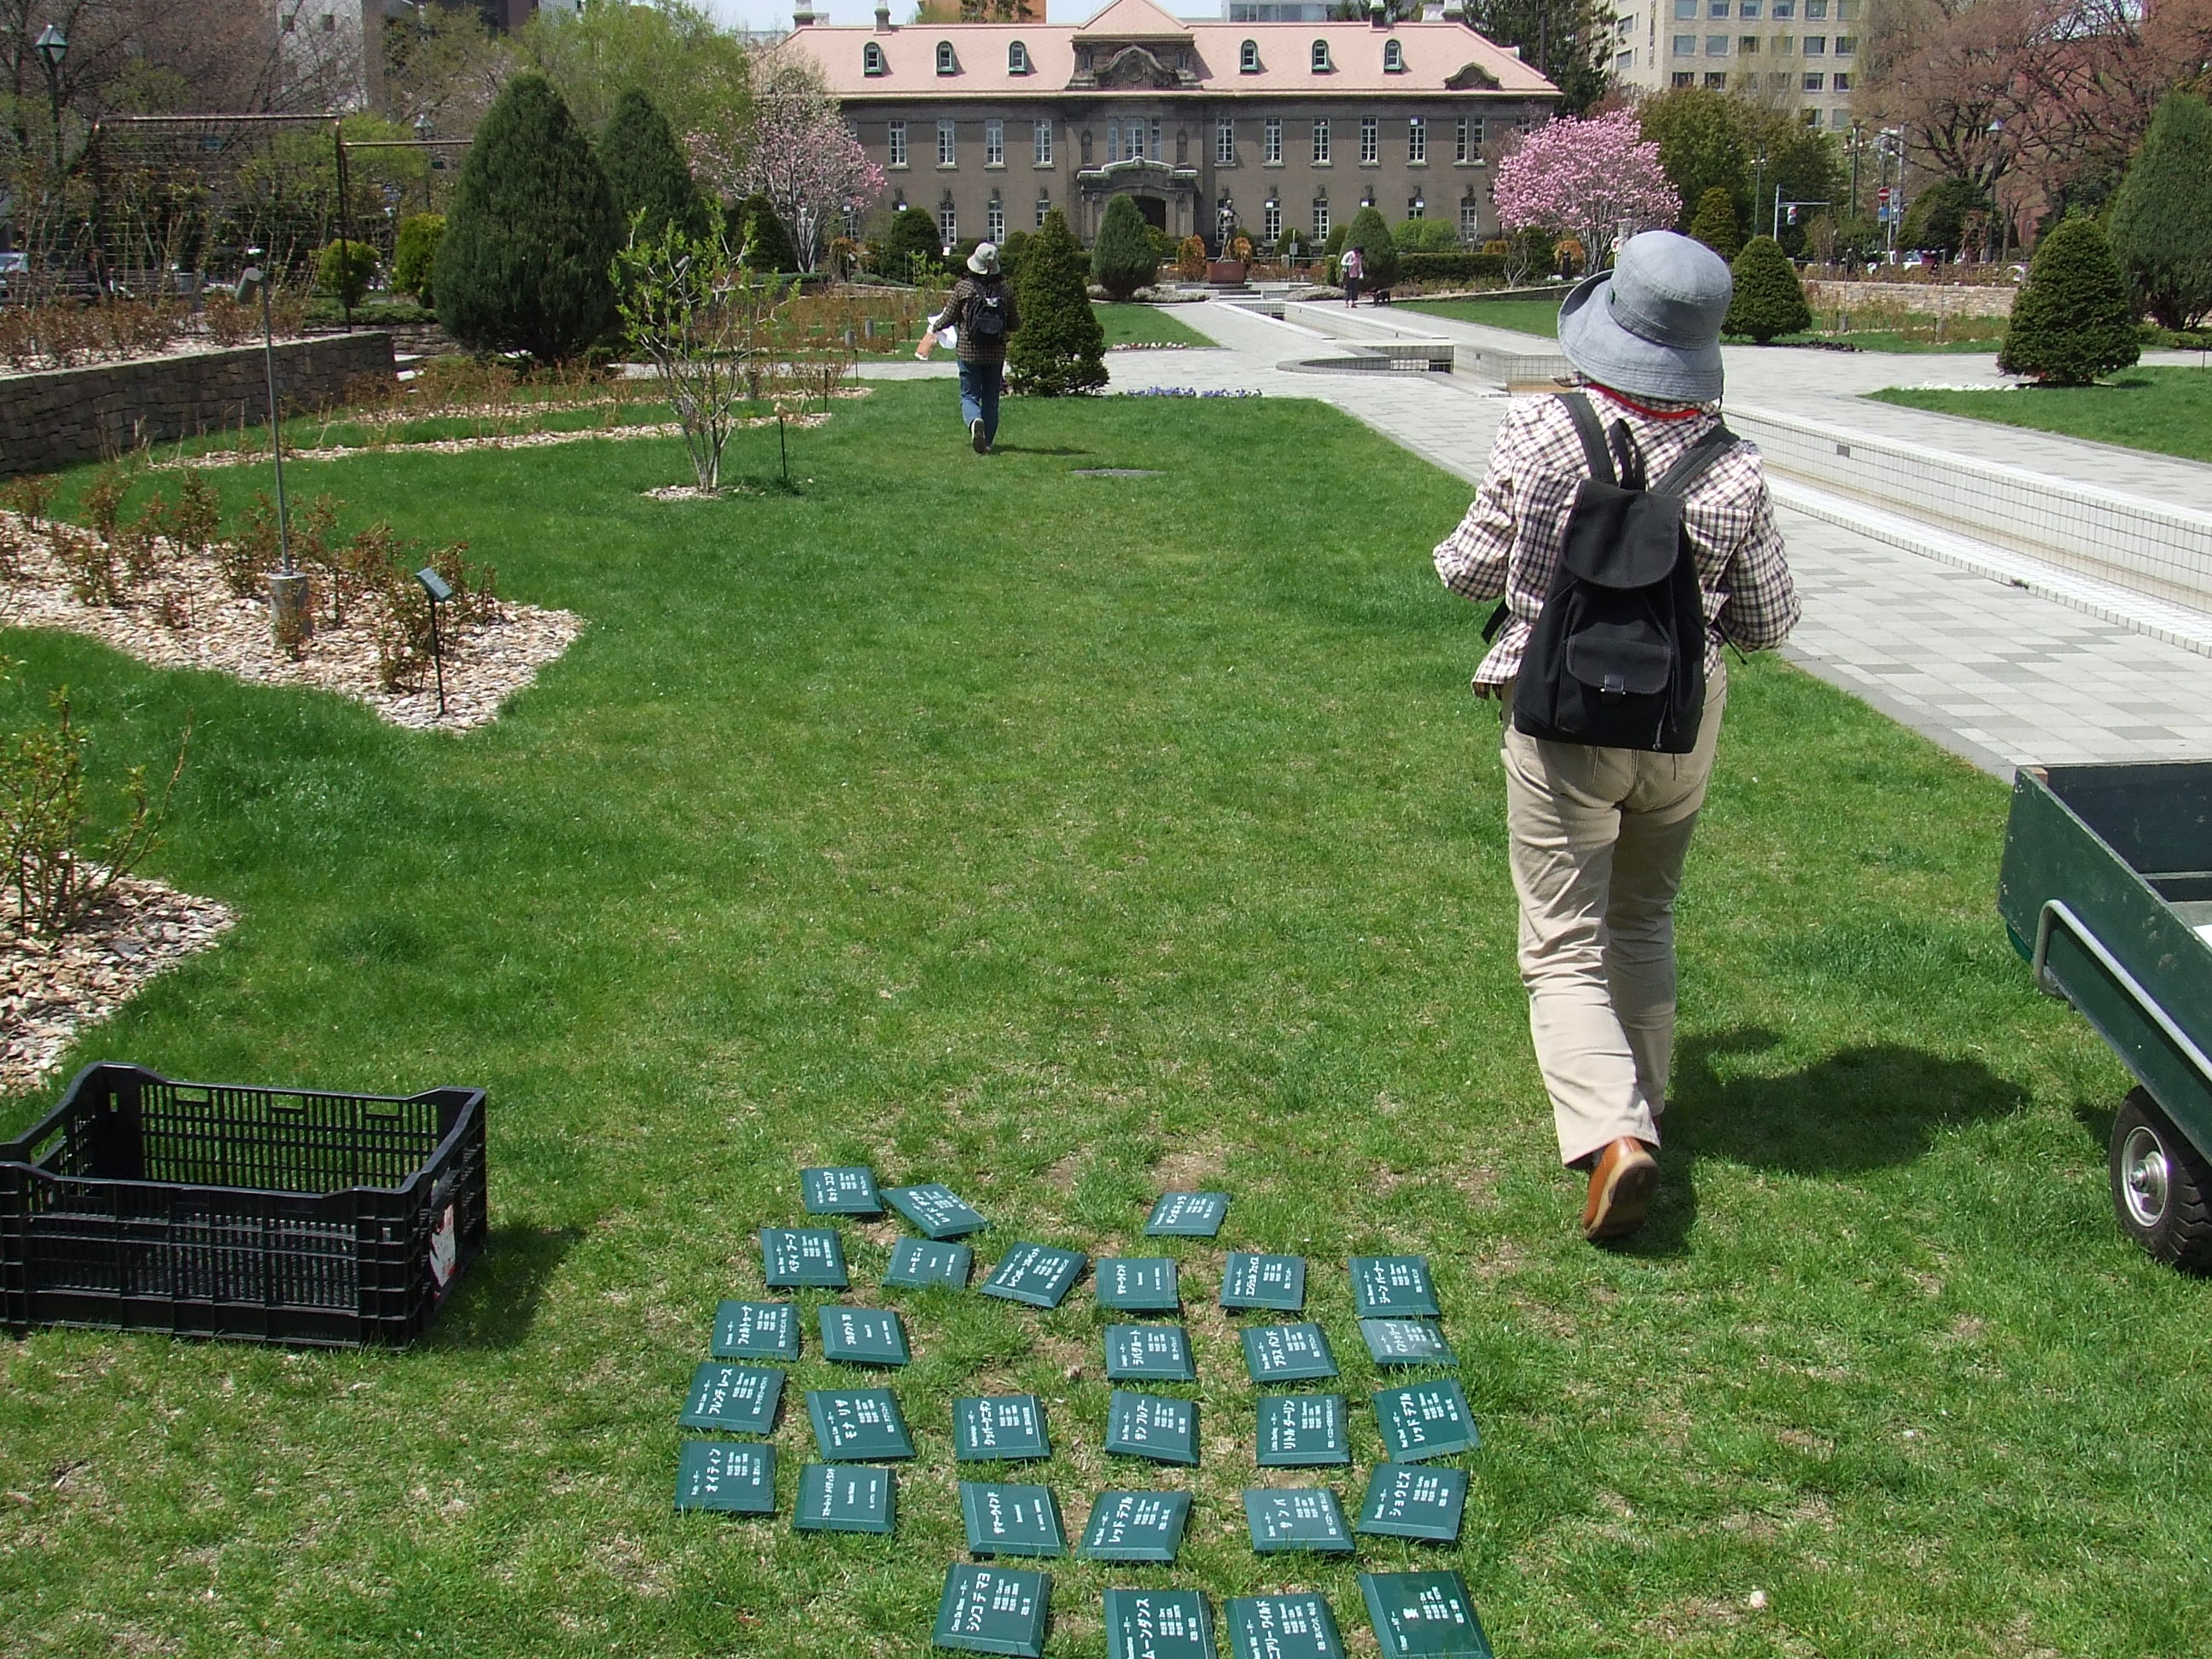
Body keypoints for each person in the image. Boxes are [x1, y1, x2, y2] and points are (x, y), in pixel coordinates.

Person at [1431, 230, 1801, 1242]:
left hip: (1561, 720)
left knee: (1561, 943)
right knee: (1643, 918)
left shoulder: (1540, 433)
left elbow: (1465, 569)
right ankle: (1647, 1104)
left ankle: (1613, 1134)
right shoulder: (1736, 471)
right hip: (1680, 722)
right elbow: (1767, 623)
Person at [923, 242, 1020, 454]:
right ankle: (987, 443)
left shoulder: (963, 288)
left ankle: (975, 421)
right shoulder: (1006, 291)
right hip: (995, 353)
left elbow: (948, 317)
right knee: (992, 398)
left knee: (969, 395)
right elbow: (1015, 324)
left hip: (969, 350)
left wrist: (934, 328)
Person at [1341, 243, 1364, 308]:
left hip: (1355, 274)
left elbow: (1359, 266)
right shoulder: (1350, 254)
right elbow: (1342, 262)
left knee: (1355, 288)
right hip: (1348, 273)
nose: (1359, 255)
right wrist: (1350, 264)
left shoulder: (1359, 257)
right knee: (1348, 288)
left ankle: (1353, 302)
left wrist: (1361, 273)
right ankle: (1347, 302)